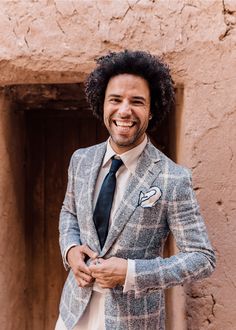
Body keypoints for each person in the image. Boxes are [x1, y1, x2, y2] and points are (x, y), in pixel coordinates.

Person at [55, 50, 216, 330]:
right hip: (72, 314)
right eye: (115, 100)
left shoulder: (172, 178)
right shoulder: (80, 160)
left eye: (137, 101)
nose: (124, 110)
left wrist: (130, 272)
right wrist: (70, 250)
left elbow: (202, 258)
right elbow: (69, 212)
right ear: (102, 104)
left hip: (134, 322)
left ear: (151, 110)